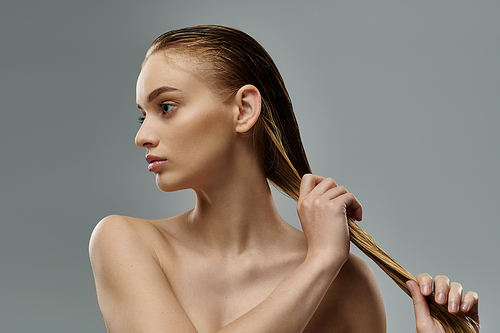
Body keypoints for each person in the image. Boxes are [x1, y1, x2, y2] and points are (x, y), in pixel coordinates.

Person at [89, 25, 479, 333]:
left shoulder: (347, 284)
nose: (142, 136)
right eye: (144, 115)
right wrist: (320, 262)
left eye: (166, 107)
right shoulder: (125, 243)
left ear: (244, 109)